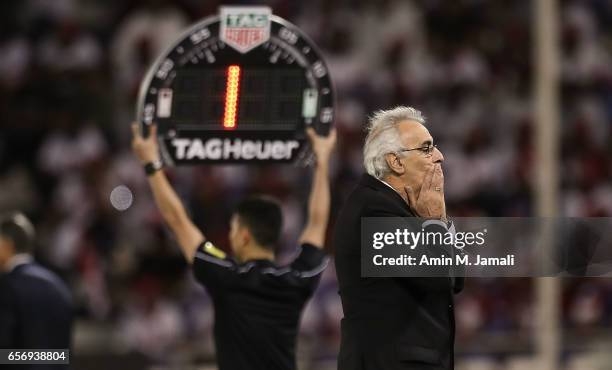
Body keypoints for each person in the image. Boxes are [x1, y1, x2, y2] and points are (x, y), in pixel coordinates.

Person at [131, 123, 336, 370]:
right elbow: (317, 222)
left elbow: (178, 220)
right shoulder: (296, 279)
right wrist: (323, 159)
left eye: (234, 229)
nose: (230, 235)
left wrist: (151, 163)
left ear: (245, 236)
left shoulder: (226, 276)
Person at [334, 106, 463, 370]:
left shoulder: (402, 208)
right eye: (426, 148)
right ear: (396, 162)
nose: (439, 156)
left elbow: (456, 276)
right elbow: (438, 277)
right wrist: (435, 222)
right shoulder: (374, 211)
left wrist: (437, 220)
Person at [0, 213, 73, 369]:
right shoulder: (58, 285)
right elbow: (62, 354)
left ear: (6, 245)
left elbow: (4, 350)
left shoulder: (7, 286)